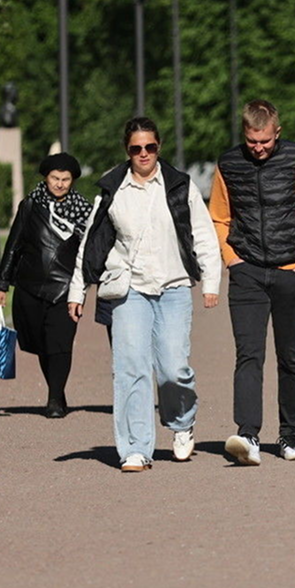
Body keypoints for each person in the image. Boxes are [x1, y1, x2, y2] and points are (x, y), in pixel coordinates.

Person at [66, 117, 221, 472]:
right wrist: (78, 289)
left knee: (173, 369)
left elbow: (203, 234)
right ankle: (135, 448)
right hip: (129, 288)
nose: (143, 154)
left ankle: (182, 423)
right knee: (130, 369)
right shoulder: (112, 190)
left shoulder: (180, 186)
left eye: (150, 147)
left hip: (173, 286)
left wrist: (211, 283)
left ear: (159, 147)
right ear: (127, 151)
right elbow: (91, 243)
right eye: (136, 149)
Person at [209, 99, 295, 466]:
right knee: (248, 354)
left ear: (277, 133)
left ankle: (290, 436)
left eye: (264, 141)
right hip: (247, 270)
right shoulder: (228, 164)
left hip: (291, 269)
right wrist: (232, 259)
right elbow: (218, 217)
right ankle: (248, 435)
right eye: (252, 142)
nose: (258, 149)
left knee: (290, 356)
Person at [0, 153, 92, 418]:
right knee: (41, 343)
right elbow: (14, 245)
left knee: (60, 343)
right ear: (46, 178)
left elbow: (92, 252)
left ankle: (54, 399)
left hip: (65, 288)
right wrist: (2, 284)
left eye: (65, 179)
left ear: (72, 181)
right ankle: (57, 391)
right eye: (54, 178)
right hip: (29, 285)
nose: (59, 184)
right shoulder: (30, 205)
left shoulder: (84, 212)